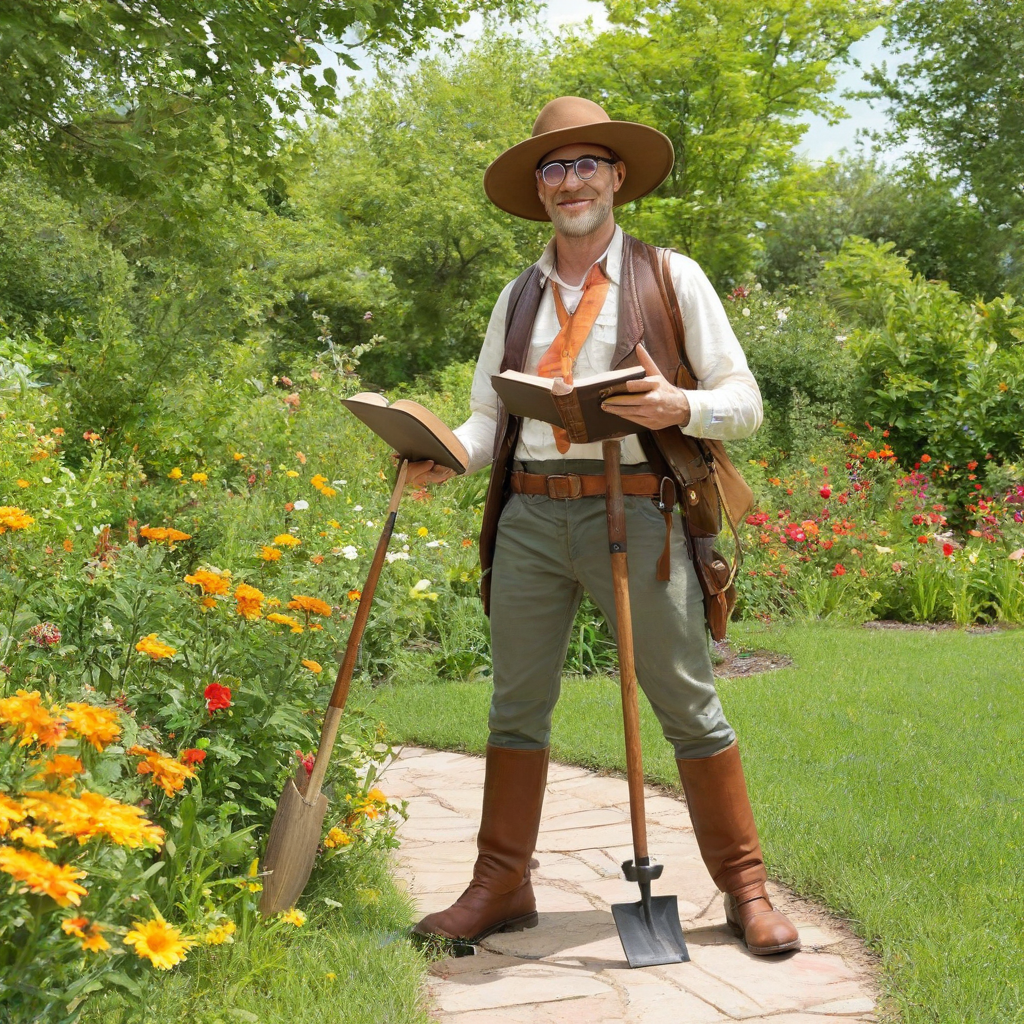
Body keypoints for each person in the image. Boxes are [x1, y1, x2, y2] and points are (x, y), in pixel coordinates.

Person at [405, 96, 800, 956]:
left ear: (617, 178)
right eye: (554, 168)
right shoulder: (518, 297)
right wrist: (447, 454)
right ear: (538, 189)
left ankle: (746, 888)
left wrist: (677, 403)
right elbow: (486, 420)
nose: (570, 181)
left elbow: (745, 403)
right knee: (516, 706)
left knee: (688, 703)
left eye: (587, 164)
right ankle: (500, 884)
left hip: (643, 513)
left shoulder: (670, 277)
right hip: (532, 519)